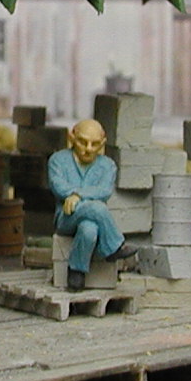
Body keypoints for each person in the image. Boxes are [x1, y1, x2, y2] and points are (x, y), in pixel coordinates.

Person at [48, 118, 135, 292]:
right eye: (83, 142)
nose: (88, 149)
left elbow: (104, 191)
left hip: (91, 219)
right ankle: (113, 247)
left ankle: (76, 272)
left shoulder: (108, 165)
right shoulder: (58, 160)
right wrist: (83, 195)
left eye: (94, 144)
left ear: (102, 143)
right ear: (72, 137)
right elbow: (58, 186)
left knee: (89, 229)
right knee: (97, 207)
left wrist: (78, 195)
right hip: (66, 217)